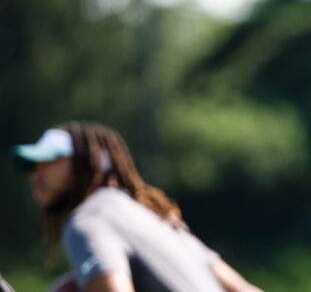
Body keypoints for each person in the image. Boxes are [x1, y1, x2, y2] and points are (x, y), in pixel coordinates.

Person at [14, 121, 264, 292]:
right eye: (34, 166)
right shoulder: (154, 219)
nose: (36, 174)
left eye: (50, 160)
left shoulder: (88, 221)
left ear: (90, 162)